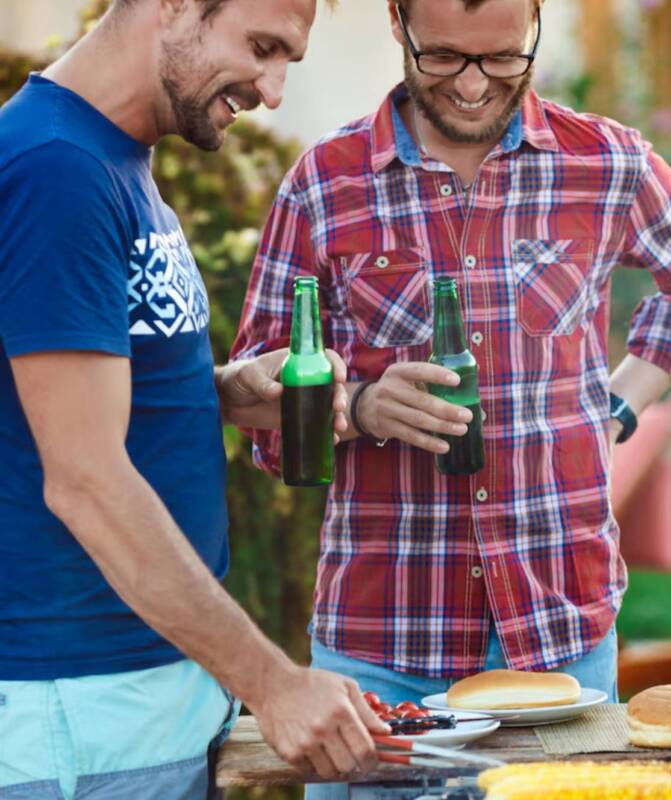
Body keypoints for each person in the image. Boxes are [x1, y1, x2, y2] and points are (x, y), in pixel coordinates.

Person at [231, 0, 671, 788]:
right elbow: (256, 407)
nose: (474, 86)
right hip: (383, 645)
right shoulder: (324, 185)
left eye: (504, 58)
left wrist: (619, 405)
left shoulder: (606, 162)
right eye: (443, 57)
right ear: (399, 23)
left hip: (559, 639)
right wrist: (359, 407)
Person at [0, 0, 390, 797]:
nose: (273, 90)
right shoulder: (55, 171)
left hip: (138, 700)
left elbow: (79, 404)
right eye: (261, 47)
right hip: (82, 712)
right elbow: (85, 480)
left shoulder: (112, 159)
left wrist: (226, 391)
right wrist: (273, 683)